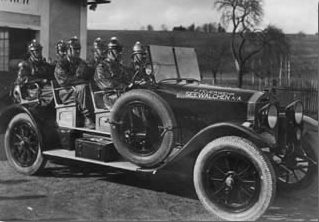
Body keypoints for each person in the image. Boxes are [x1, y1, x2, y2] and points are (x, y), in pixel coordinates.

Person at [54, 36, 95, 129]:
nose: (77, 51)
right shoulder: (61, 63)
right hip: (66, 92)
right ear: (68, 50)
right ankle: (87, 118)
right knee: (83, 87)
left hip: (76, 91)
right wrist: (80, 80)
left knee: (89, 86)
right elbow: (64, 81)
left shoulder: (81, 62)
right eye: (75, 49)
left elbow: (88, 76)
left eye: (79, 49)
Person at [14, 39, 53, 105]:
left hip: (45, 88)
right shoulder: (26, 64)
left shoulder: (44, 64)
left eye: (40, 50)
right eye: (36, 51)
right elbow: (21, 79)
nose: (39, 52)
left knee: (59, 90)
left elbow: (51, 75)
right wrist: (41, 80)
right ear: (31, 52)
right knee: (53, 92)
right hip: (32, 90)